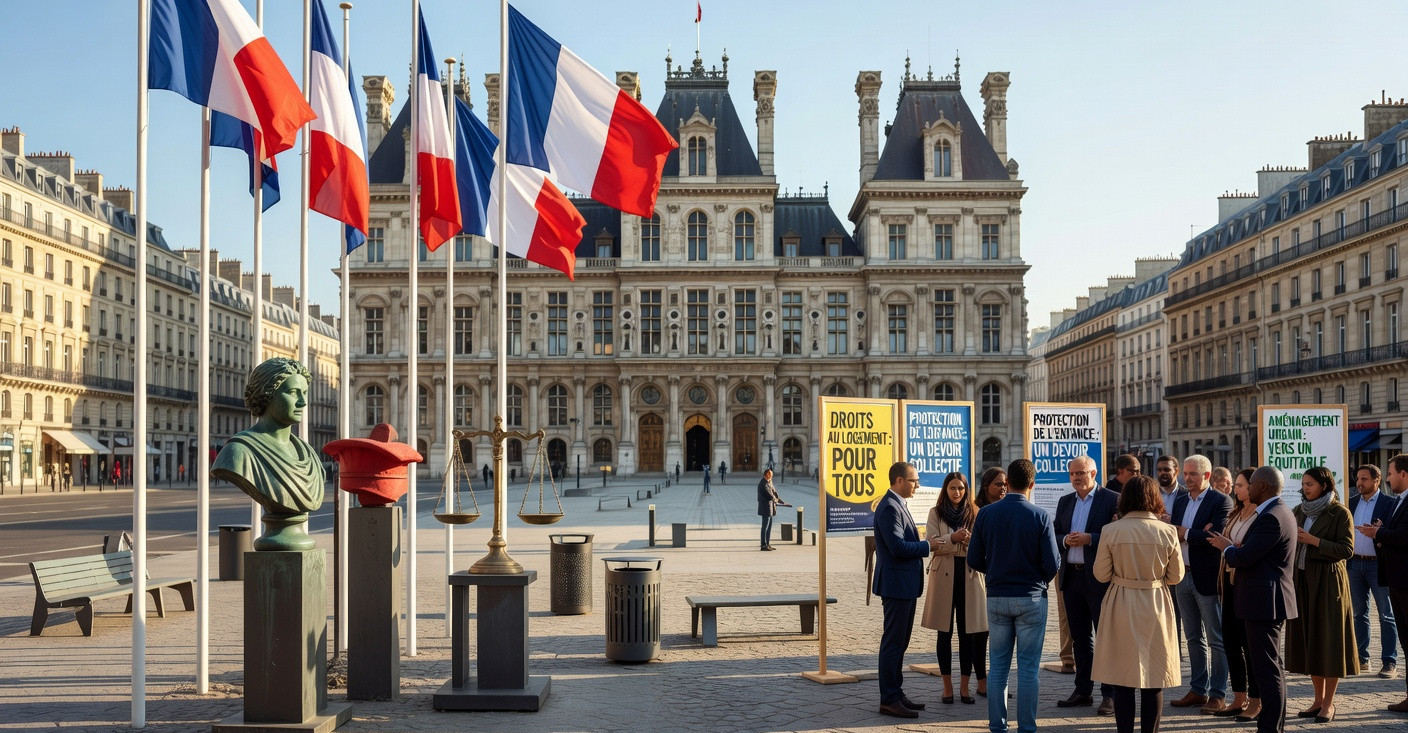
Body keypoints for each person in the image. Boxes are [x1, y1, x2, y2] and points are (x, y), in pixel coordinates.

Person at [968, 459, 1061, 733]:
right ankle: (1027, 728)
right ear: (1032, 484)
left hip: (997, 595)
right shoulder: (1040, 515)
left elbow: (974, 558)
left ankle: (997, 726)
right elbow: (1053, 563)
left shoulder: (985, 514)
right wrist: (1038, 580)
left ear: (1006, 483)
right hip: (1031, 596)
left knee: (997, 665)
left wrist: (996, 571)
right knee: (1029, 668)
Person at [1208, 467, 1298, 733]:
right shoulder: (1276, 511)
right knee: (1270, 667)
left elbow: (1245, 557)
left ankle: (1270, 727)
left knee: (1267, 670)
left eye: (1251, 484)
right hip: (1263, 600)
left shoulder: (1271, 516)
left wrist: (1228, 547)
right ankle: (1271, 725)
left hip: (1264, 602)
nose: (1246, 490)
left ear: (1262, 486)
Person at [1091, 475, 1184, 733]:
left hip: (1121, 600)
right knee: (1154, 678)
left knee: (1123, 677)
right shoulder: (1168, 531)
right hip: (1155, 600)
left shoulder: (1110, 531)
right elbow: (1176, 576)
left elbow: (1100, 574)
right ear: (1155, 498)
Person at [211, 357, 327, 551]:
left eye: (305, 393)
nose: (303, 402)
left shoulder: (309, 455)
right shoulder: (239, 452)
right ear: (267, 394)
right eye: (292, 393)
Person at [1283, 466, 1356, 722]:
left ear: (1324, 486)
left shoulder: (1340, 512)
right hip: (1302, 581)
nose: (1305, 488)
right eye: (1303, 483)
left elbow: (1347, 549)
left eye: (1310, 484)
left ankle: (1329, 704)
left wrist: (1314, 541)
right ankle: (1316, 700)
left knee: (1329, 643)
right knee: (1311, 641)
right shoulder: (1298, 511)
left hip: (1328, 585)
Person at [873, 461, 945, 718]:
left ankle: (896, 692)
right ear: (899, 481)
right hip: (896, 585)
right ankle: (889, 698)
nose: (918, 485)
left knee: (900, 642)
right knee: (893, 642)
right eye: (914, 480)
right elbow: (897, 548)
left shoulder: (898, 504)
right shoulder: (890, 507)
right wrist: (929, 546)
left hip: (904, 585)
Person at [1054, 455, 1120, 715]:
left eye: (1081, 473)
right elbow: (1056, 532)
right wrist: (1065, 540)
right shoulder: (1065, 501)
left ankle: (1110, 694)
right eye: (1072, 474)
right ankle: (1083, 690)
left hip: (1100, 578)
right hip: (1071, 577)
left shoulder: (1112, 499)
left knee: (1105, 637)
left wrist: (1089, 538)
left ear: (1094, 473)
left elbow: (1117, 533)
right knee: (1080, 638)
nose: (1076, 478)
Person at [1168, 454, 1232, 713]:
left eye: (1193, 473)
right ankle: (1198, 689)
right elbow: (1173, 531)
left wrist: (1186, 533)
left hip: (1206, 576)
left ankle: (1218, 693)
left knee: (1216, 638)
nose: (1187, 477)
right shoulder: (1182, 499)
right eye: (1185, 473)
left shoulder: (1221, 501)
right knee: (1193, 637)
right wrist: (1190, 533)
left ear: (1207, 476)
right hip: (1182, 573)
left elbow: (1214, 537)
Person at [921, 471, 987, 705]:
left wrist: (968, 542)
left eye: (961, 488)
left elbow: (983, 547)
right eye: (952, 488)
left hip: (970, 577)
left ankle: (965, 688)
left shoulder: (976, 512)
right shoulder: (935, 512)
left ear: (966, 490)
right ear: (945, 490)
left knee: (968, 633)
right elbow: (932, 543)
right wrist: (954, 538)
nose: (957, 492)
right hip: (944, 578)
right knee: (944, 633)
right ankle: (947, 687)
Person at [1363, 454, 1408, 713]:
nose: (1388, 478)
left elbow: (1403, 536)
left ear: (1403, 474)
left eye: (1390, 473)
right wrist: (1381, 530)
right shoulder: (1398, 502)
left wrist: (1378, 532)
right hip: (1396, 580)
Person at [1218, 469, 1262, 722]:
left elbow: (1252, 549)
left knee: (1250, 646)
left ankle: (1257, 701)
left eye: (1241, 485)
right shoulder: (1236, 512)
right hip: (1228, 582)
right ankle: (1238, 697)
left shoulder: (1261, 516)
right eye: (1236, 485)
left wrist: (1231, 547)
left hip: (1247, 584)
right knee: (1231, 643)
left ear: (1254, 487)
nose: (1236, 489)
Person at [1347, 464, 1399, 678]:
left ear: (1377, 480)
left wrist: (1379, 531)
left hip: (1378, 564)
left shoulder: (1390, 503)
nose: (1359, 483)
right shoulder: (1351, 502)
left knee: (1386, 615)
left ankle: (1389, 661)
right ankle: (1362, 657)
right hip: (1355, 564)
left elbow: (1395, 532)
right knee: (1359, 614)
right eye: (1358, 479)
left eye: (1364, 479)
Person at [972, 467, 1008, 695]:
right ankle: (982, 681)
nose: (1003, 488)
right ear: (986, 487)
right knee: (980, 632)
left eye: (1005, 484)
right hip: (981, 578)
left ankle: (999, 681)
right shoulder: (978, 511)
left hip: (1002, 579)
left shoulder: (1007, 509)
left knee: (1001, 635)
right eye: (998, 484)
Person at [756, 468, 789, 551]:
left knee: (769, 527)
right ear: (766, 474)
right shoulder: (763, 484)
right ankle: (763, 545)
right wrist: (776, 500)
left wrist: (782, 502)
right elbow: (770, 496)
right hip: (765, 508)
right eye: (770, 475)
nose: (772, 476)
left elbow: (775, 494)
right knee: (765, 527)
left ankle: (767, 543)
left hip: (770, 508)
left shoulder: (769, 483)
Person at [1154, 455, 1182, 521]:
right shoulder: (1152, 494)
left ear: (1176, 471)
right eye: (1159, 470)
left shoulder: (1186, 495)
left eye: (1166, 470)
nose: (1162, 473)